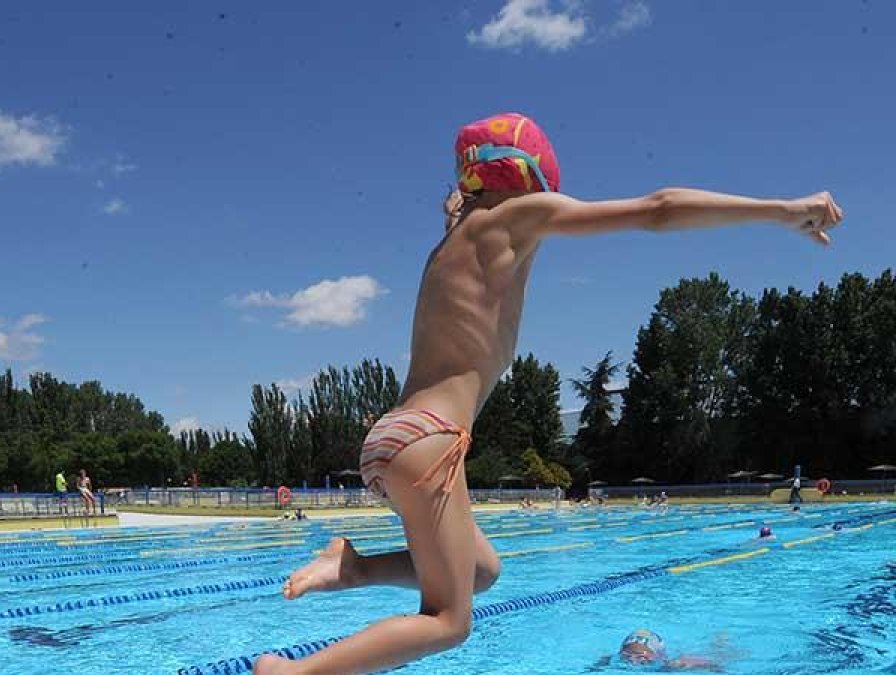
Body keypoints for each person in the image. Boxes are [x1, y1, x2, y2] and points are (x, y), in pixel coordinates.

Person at [254, 111, 842, 675]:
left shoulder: (459, 238)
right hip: (430, 439)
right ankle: (295, 673)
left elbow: (460, 212)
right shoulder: (517, 216)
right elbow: (657, 210)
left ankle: (354, 567)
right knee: (448, 621)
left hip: (398, 437)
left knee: (483, 570)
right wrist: (783, 210)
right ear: (534, 172)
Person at [588, 629, 725, 671]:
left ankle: (720, 642)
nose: (633, 659)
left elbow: (714, 665)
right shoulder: (609, 660)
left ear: (658, 656)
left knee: (720, 653)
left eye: (641, 655)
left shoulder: (671, 665)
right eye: (627, 653)